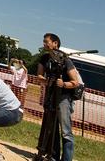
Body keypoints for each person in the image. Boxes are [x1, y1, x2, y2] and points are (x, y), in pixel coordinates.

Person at [36, 33, 81, 161]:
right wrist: (45, 80)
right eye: (43, 41)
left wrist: (63, 84)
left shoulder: (65, 59)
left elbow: (75, 81)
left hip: (64, 98)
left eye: (47, 41)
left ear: (55, 43)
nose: (44, 44)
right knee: (52, 128)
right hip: (50, 95)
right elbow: (39, 74)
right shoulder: (44, 58)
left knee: (65, 131)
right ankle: (53, 156)